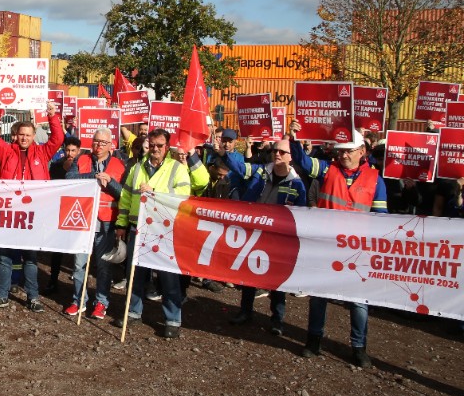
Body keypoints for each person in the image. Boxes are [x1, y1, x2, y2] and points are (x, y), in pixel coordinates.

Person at [290, 121, 387, 368]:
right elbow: (302, 161)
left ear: (362, 151)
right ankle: (313, 341)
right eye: (340, 151)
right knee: (319, 296)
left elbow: (382, 219)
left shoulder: (376, 180)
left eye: (348, 150)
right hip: (327, 247)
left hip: (358, 250)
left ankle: (358, 347)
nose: (343, 155)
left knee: (358, 301)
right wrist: (293, 137)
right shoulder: (326, 170)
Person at [115, 129, 208, 338]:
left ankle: (173, 319)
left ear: (167, 147)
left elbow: (183, 197)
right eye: (152, 144)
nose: (155, 149)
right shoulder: (138, 167)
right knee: (135, 274)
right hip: (138, 227)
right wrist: (121, 223)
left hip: (164, 229)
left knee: (167, 276)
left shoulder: (177, 169)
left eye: (159, 145)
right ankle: (133, 311)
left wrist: (154, 194)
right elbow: (126, 196)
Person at [0, 100, 64, 312]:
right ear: (15, 135)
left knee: (30, 257)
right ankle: (2, 295)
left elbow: (58, 138)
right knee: (5, 255)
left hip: (34, 213)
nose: (24, 138)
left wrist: (53, 116)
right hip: (9, 212)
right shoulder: (5, 151)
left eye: (28, 134)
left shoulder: (43, 153)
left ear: (34, 136)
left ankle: (33, 297)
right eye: (21, 134)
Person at [223, 139, 307, 334]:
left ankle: (277, 319)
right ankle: (245, 311)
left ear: (291, 157)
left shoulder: (297, 183)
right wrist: (223, 153)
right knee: (248, 275)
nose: (277, 154)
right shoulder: (261, 171)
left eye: (282, 152)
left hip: (278, 237)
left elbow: (301, 213)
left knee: (277, 279)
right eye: (275, 150)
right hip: (255, 232)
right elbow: (238, 167)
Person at [64, 128, 125, 319]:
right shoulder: (81, 160)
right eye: (96, 141)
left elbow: (124, 193)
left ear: (110, 145)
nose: (98, 146)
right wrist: (93, 176)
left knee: (103, 266)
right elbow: (69, 179)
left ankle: (101, 302)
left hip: (106, 222)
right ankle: (78, 300)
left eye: (103, 143)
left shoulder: (119, 164)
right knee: (79, 264)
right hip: (82, 219)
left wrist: (111, 182)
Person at [47, 136, 82, 294]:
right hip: (60, 210)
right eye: (67, 150)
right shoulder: (56, 166)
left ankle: (77, 278)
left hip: (78, 210)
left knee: (78, 247)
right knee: (57, 248)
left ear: (78, 151)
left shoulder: (83, 165)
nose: (70, 153)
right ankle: (53, 280)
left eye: (73, 150)